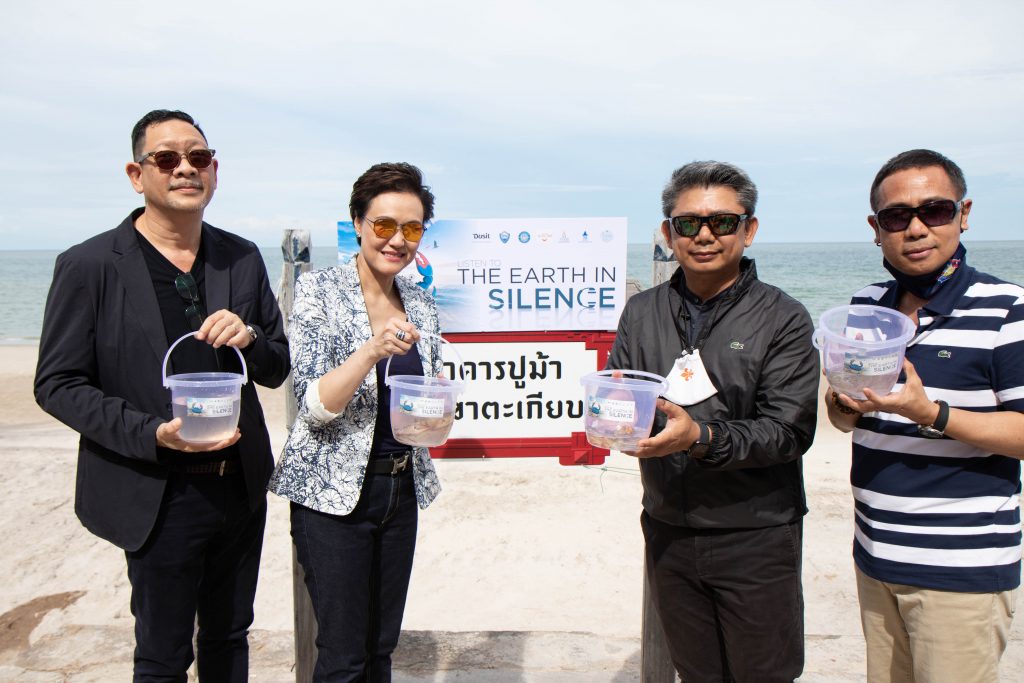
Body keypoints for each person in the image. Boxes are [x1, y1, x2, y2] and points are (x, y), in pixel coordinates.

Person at [33, 109, 290, 682]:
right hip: (156, 492)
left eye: (198, 158)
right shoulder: (89, 265)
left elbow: (277, 367)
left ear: (214, 171)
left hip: (239, 488)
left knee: (229, 637)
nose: (184, 170)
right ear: (136, 173)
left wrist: (250, 339)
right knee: (163, 653)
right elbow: (56, 384)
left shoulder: (240, 256)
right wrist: (150, 432)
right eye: (167, 159)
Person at [605, 161, 819, 682]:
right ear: (667, 233)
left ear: (749, 229)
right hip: (668, 528)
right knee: (696, 673)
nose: (704, 235)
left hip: (756, 534)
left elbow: (790, 431)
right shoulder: (643, 312)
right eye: (688, 224)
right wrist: (612, 414)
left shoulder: (784, 317)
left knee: (763, 675)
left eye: (722, 222)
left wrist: (700, 437)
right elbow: (622, 390)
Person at [826, 149, 1024, 683]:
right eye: (896, 217)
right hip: (875, 558)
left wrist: (929, 412)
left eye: (934, 210)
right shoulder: (868, 306)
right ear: (876, 229)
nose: (915, 228)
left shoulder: (1007, 307)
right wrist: (842, 403)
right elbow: (847, 419)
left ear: (964, 213)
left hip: (961, 573)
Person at [268, 162, 443, 682]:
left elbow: (421, 399)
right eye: (385, 225)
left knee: (381, 650)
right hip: (333, 498)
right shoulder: (319, 293)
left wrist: (435, 413)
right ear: (359, 224)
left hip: (401, 489)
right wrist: (370, 351)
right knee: (343, 658)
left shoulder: (423, 306)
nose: (397, 240)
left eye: (411, 229)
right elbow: (315, 405)